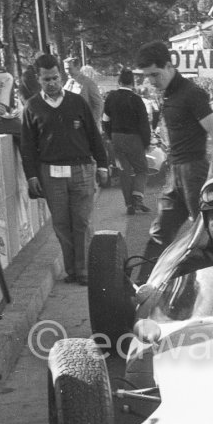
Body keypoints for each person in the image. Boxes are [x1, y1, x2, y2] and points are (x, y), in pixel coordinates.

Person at [20, 53, 108, 285]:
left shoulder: (77, 101)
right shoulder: (32, 107)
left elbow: (93, 135)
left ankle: (85, 271)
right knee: (61, 224)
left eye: (55, 78)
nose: (52, 83)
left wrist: (103, 164)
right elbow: (27, 146)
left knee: (82, 221)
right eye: (46, 79)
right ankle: (72, 270)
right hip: (51, 174)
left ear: (61, 76)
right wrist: (31, 176)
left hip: (81, 170)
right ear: (38, 79)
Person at [136, 40, 213, 254]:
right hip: (175, 172)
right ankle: (142, 285)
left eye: (155, 74)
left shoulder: (192, 93)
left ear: (169, 66)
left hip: (195, 171)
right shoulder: (169, 94)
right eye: (147, 75)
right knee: (160, 233)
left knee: (206, 232)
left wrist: (212, 177)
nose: (151, 80)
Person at [102, 68, 152, 214]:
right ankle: (137, 198)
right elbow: (144, 124)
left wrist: (110, 135)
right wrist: (147, 142)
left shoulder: (111, 97)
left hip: (116, 137)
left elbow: (105, 120)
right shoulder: (136, 100)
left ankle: (129, 205)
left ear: (119, 81)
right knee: (142, 169)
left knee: (124, 171)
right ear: (133, 82)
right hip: (134, 138)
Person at [63, 56, 103, 126]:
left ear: (78, 67)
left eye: (69, 69)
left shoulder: (88, 83)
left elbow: (98, 104)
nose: (67, 72)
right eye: (65, 69)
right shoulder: (68, 83)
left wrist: (90, 123)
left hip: (84, 126)